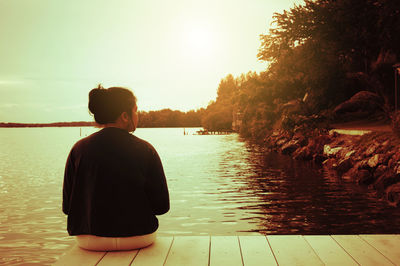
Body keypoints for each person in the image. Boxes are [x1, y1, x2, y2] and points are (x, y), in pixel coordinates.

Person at [62, 85, 169, 251]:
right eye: (136, 110)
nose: (137, 115)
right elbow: (162, 207)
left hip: (89, 240)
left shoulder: (78, 149)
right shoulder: (145, 149)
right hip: (139, 237)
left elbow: (67, 208)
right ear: (125, 116)